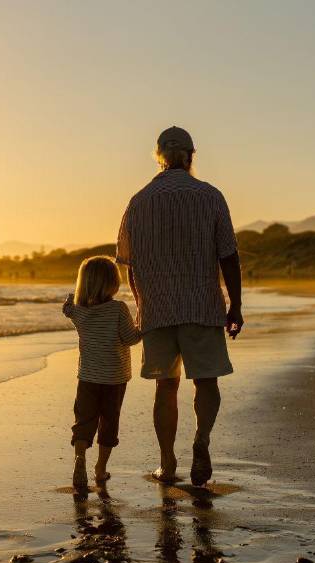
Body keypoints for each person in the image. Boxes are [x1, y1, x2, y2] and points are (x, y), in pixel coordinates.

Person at [116, 125, 243, 486]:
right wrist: (235, 306)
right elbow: (228, 256)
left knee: (165, 387)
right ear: (191, 156)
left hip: (158, 309)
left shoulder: (139, 201)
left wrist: (142, 305)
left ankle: (167, 462)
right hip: (202, 304)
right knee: (206, 380)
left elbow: (128, 264)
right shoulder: (210, 196)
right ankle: (201, 441)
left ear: (159, 157)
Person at [63, 256, 142, 489]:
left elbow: (67, 308)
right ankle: (100, 468)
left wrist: (71, 299)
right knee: (109, 421)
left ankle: (80, 459)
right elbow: (130, 338)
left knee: (84, 419)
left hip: (87, 377)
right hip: (114, 379)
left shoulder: (79, 312)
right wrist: (142, 324)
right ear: (112, 283)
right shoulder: (118, 309)